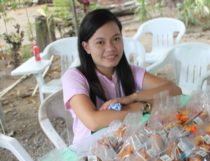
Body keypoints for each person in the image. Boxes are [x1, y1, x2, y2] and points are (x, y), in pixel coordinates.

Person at [62, 9, 182, 145]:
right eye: (100, 42)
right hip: (90, 153)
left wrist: (133, 98)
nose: (110, 48)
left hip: (126, 145)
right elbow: (94, 121)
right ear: (86, 47)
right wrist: (141, 107)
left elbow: (174, 90)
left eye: (116, 39)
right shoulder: (74, 77)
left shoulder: (129, 71)